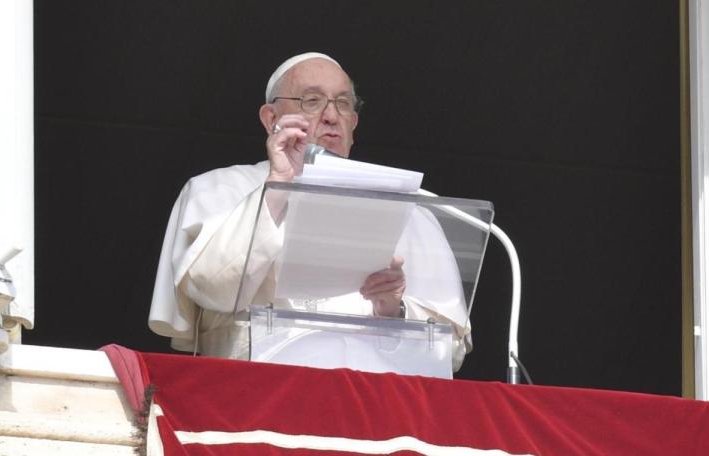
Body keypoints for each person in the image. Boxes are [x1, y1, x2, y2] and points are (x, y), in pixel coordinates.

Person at [149, 52, 471, 370]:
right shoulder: (217, 189)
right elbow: (212, 289)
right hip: (257, 400)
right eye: (312, 101)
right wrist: (278, 186)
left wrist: (392, 310)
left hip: (375, 407)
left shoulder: (412, 208)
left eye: (343, 104)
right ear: (271, 119)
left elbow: (450, 351)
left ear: (354, 123)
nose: (331, 116)